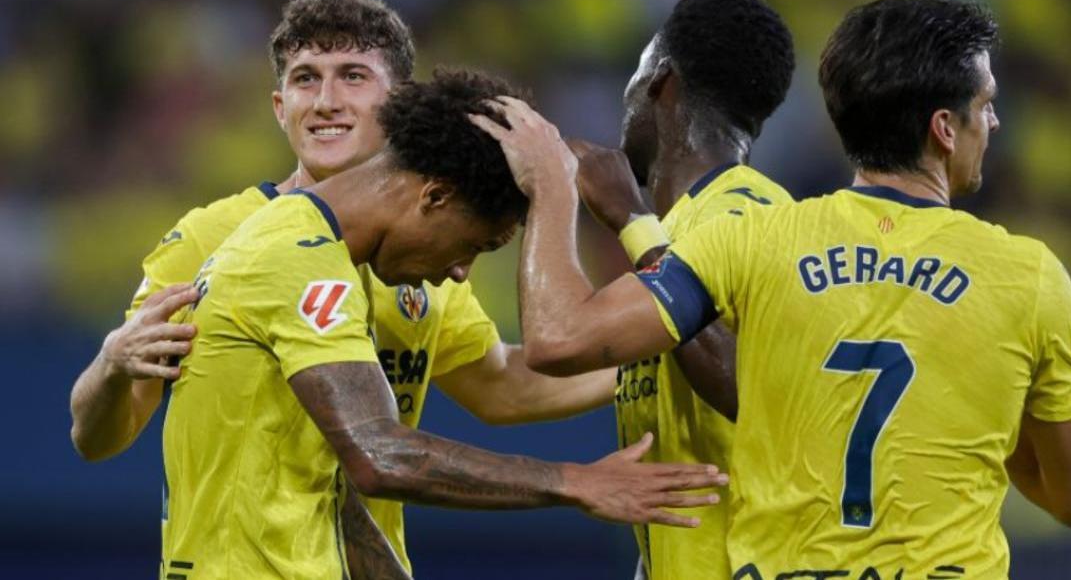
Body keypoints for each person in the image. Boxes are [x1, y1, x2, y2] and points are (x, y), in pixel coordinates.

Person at [471, 0, 1071, 579]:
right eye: (987, 104)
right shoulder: (1027, 275)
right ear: (944, 128)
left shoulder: (754, 233)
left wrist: (562, 188)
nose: (993, 123)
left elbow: (578, 343)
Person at [67, 0, 615, 576]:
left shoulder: (426, 248)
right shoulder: (214, 237)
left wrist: (655, 346)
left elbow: (504, 386)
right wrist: (111, 363)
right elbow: (99, 437)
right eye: (306, 80)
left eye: (352, 76)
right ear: (280, 108)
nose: (326, 101)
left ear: (399, 101)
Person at [159, 68, 726, 580]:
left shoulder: (325, 258)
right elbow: (379, 456)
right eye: (475, 245)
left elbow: (336, 493)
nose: (459, 273)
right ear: (434, 195)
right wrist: (575, 481)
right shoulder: (294, 257)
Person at [566, 0, 794, 580]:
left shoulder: (744, 214)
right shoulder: (686, 224)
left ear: (660, 81)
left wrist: (631, 224)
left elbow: (757, 389)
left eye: (635, 73)